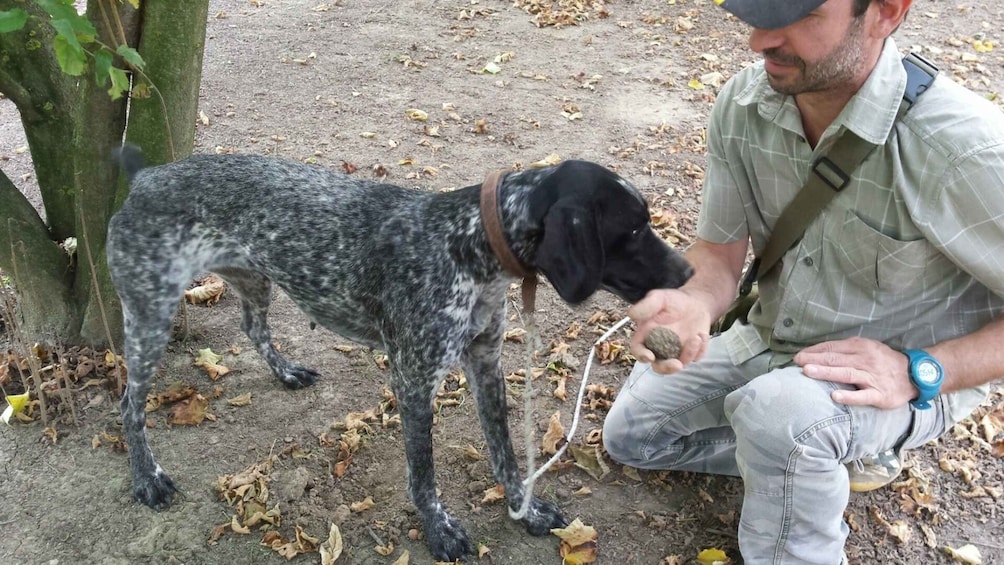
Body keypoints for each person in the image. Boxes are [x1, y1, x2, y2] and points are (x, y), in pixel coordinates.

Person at [601, 0, 1004, 563]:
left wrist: (922, 370)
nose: (759, 40)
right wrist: (692, 302)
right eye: (755, 12)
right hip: (773, 337)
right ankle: (814, 460)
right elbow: (718, 254)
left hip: (907, 373)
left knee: (781, 420)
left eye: (799, 15)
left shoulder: (966, 149)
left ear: (885, 12)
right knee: (632, 437)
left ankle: (810, 458)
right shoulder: (744, 105)